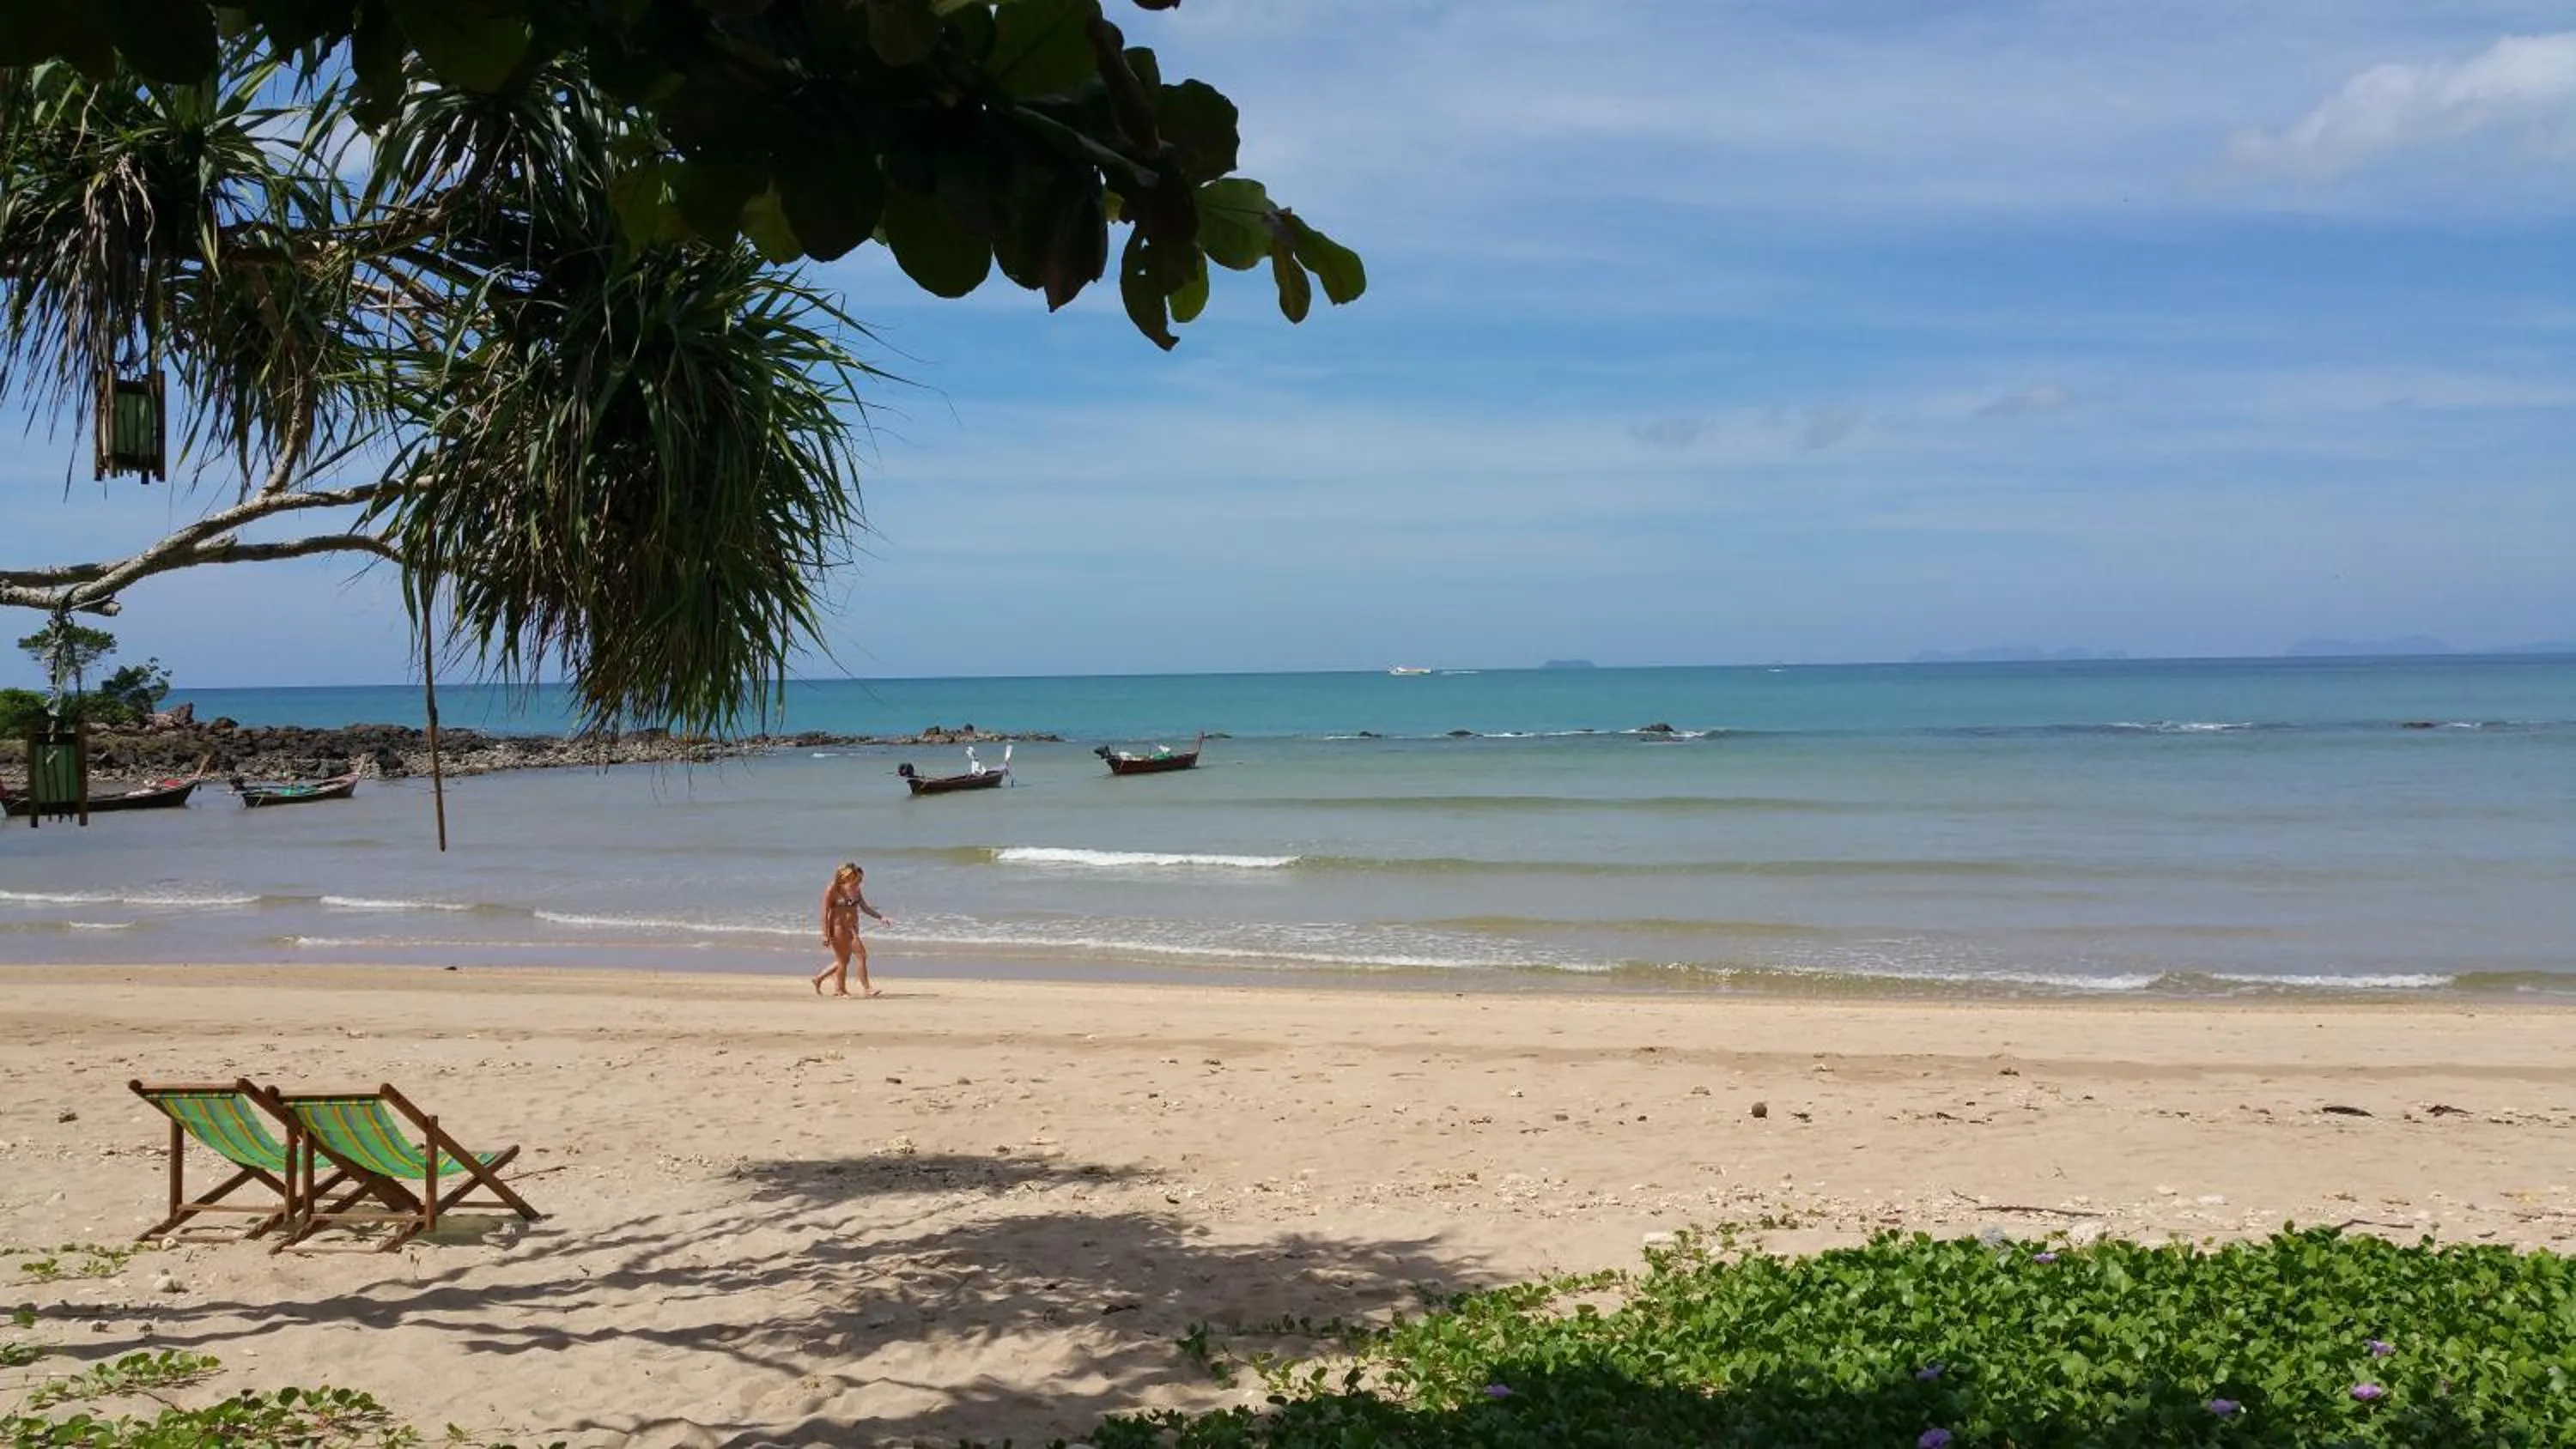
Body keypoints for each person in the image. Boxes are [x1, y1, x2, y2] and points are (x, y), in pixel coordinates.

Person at [811, 861, 892, 997]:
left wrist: (880, 917)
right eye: (857, 879)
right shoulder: (833, 889)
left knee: (855, 957)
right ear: (848, 876)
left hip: (852, 928)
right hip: (837, 928)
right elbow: (824, 912)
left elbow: (865, 907)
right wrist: (825, 934)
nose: (859, 882)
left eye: (861, 879)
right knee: (845, 960)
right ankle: (845, 990)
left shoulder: (856, 890)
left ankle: (820, 979)